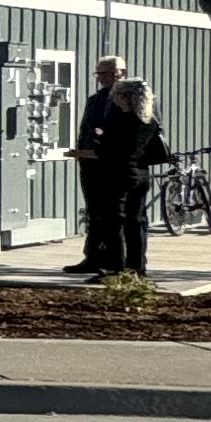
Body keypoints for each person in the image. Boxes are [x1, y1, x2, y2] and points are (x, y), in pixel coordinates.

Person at [85, 75, 167, 278]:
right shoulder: (149, 122)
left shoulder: (120, 121)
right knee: (136, 221)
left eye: (116, 96)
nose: (114, 100)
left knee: (114, 223)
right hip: (140, 175)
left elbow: (108, 149)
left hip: (117, 175)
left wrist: (98, 135)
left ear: (126, 97)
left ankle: (116, 267)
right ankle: (137, 267)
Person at [66, 52, 128, 271]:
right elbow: (88, 128)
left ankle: (115, 263)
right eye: (99, 74)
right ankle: (92, 258)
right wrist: (81, 150)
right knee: (94, 212)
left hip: (113, 166)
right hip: (90, 165)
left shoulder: (128, 100)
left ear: (120, 73)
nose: (101, 78)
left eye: (106, 73)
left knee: (113, 215)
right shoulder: (96, 100)